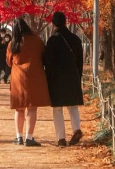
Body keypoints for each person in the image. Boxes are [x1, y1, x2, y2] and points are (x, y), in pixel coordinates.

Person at [7, 18, 50, 147]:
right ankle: (29, 138)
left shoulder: (13, 44)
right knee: (32, 108)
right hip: (34, 77)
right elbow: (44, 57)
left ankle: (18, 137)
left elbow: (9, 62)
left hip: (18, 79)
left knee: (19, 109)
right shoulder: (37, 41)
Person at [43, 11, 84, 147]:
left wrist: (48, 78)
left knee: (58, 109)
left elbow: (47, 62)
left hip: (57, 79)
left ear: (53, 24)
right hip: (72, 76)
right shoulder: (76, 39)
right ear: (65, 22)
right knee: (72, 106)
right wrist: (79, 76)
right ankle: (76, 129)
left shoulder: (52, 40)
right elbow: (80, 62)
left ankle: (61, 138)